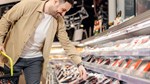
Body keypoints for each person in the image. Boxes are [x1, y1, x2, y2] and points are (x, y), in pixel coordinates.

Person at [0, 0, 87, 84]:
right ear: (55, 1)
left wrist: (79, 64)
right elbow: (5, 20)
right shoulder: (28, 4)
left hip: (35, 59)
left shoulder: (58, 20)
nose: (63, 14)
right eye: (63, 10)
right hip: (12, 56)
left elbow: (66, 43)